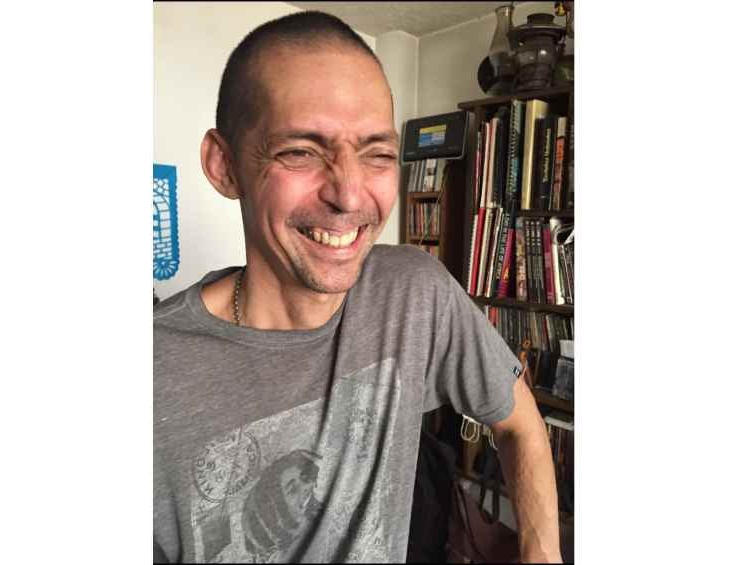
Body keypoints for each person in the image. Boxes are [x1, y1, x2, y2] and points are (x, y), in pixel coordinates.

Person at [154, 10, 561, 563]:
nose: (348, 195)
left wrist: (541, 554)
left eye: (378, 154)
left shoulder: (413, 291)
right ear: (224, 165)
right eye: (301, 151)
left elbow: (520, 424)